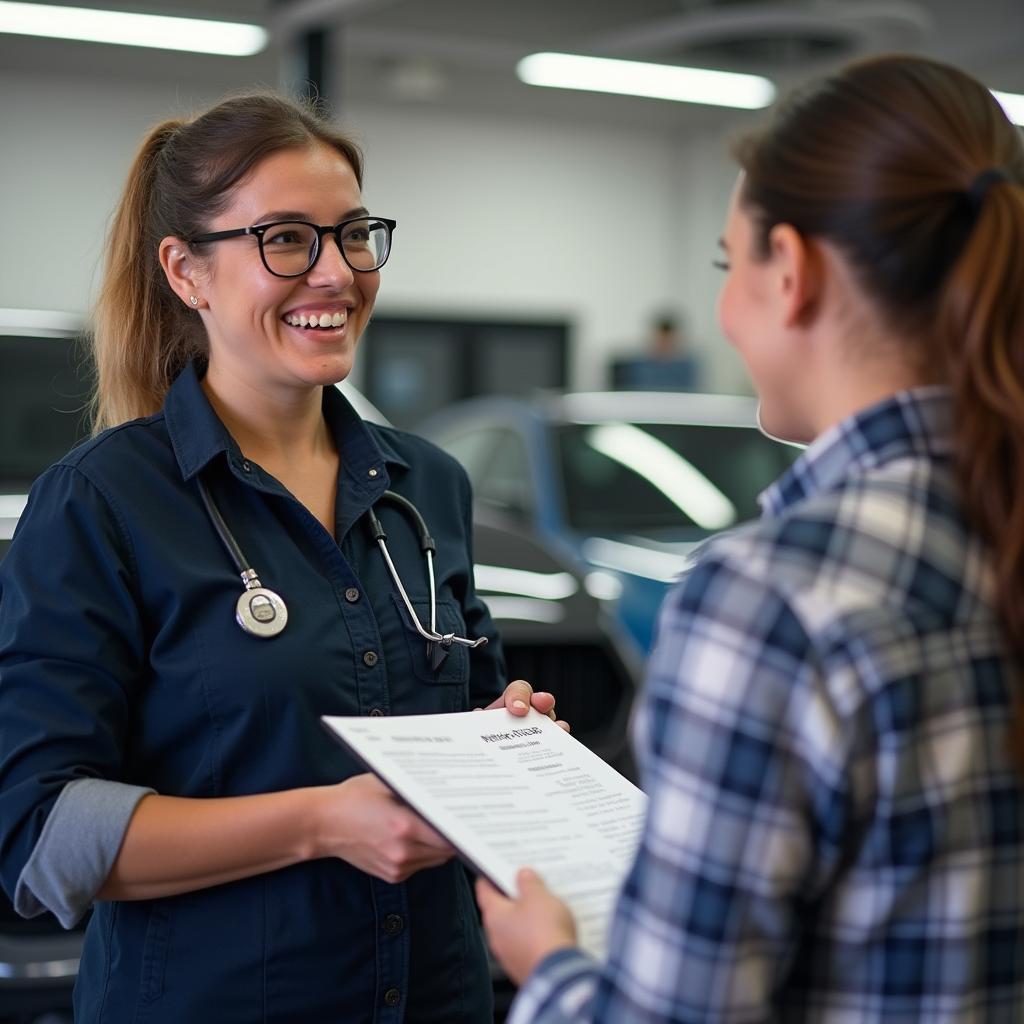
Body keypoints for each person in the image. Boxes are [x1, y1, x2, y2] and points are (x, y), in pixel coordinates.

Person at [478, 53, 1024, 1022]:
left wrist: (550, 962)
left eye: (731, 266)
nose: (725, 309)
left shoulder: (772, 593)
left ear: (795, 272)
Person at [0, 92, 562, 1023]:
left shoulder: (428, 486)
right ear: (187, 271)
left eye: (352, 235)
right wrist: (321, 824)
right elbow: (39, 835)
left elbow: (466, 723)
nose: (336, 273)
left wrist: (511, 736)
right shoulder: (103, 502)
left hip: (435, 997)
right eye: (287, 240)